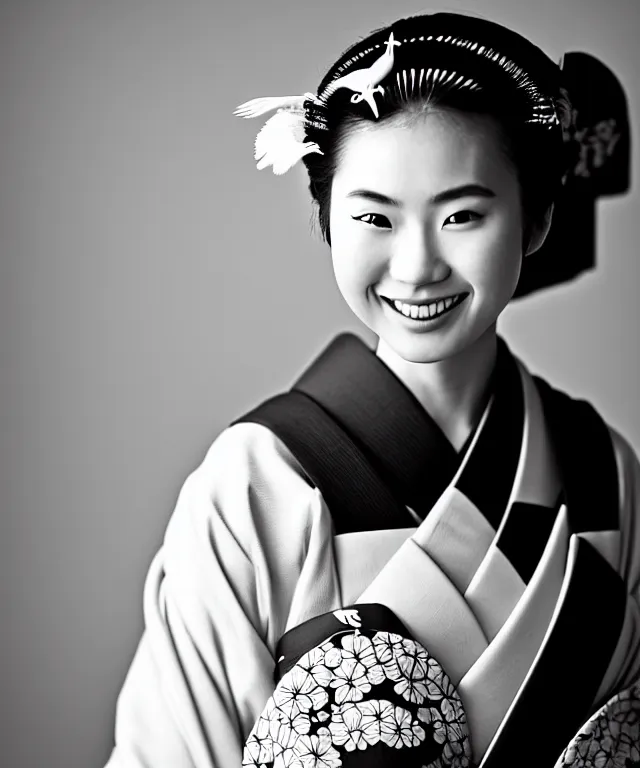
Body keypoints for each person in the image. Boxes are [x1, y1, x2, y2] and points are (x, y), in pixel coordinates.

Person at [105, 11, 639, 768]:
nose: (417, 265)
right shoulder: (259, 482)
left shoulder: (605, 472)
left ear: (538, 218)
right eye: (374, 217)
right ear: (328, 222)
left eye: (462, 214)